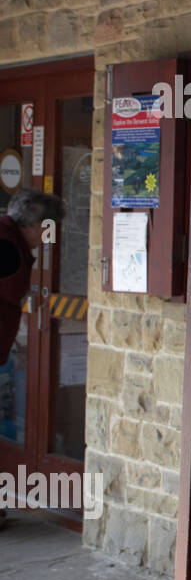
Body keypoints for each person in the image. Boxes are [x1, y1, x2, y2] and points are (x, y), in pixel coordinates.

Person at [0, 189, 65, 531]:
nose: (49, 236)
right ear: (35, 224)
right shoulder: (7, 248)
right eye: (49, 227)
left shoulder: (9, 240)